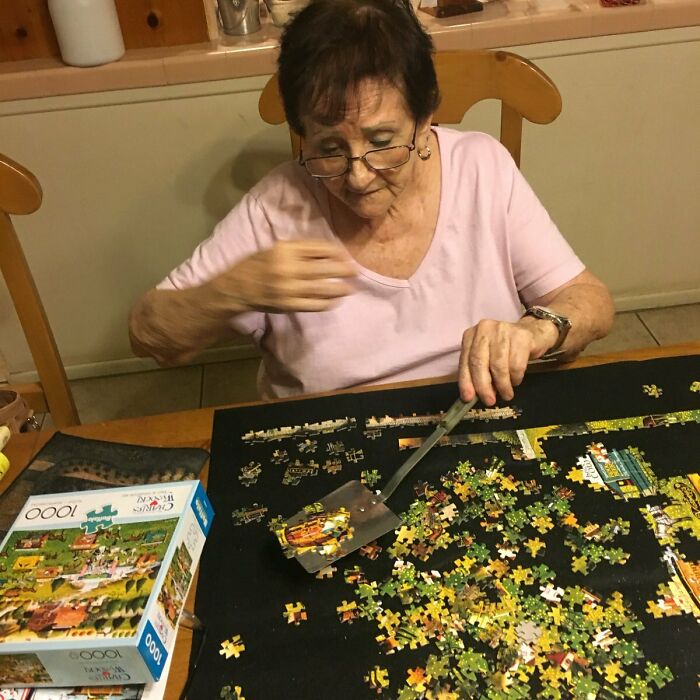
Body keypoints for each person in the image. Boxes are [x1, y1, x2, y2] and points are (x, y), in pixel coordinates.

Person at [129, 0, 613, 407]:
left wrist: (535, 331)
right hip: (331, 442)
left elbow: (591, 302)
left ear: (425, 117)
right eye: (329, 147)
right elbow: (148, 336)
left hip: (473, 415)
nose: (358, 176)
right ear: (301, 132)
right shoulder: (275, 208)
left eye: (382, 142)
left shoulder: (482, 167)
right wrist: (233, 291)